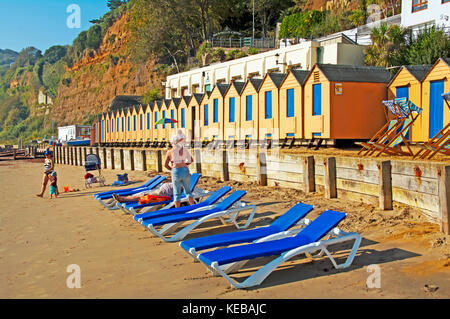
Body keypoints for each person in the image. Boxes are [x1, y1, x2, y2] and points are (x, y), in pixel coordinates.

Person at [164, 130, 195, 208]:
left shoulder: (170, 152)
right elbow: (191, 160)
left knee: (176, 193)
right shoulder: (185, 150)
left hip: (175, 171)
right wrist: (185, 164)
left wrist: (172, 169)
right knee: (188, 191)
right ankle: (193, 207)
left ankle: (177, 210)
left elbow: (165, 165)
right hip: (184, 169)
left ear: (172, 142)